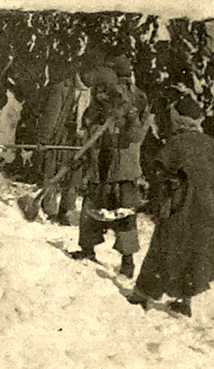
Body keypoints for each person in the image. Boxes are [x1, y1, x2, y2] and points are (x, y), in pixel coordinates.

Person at [127, 95, 214, 316]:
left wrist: (160, 202)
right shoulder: (213, 146)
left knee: (165, 245)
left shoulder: (177, 143)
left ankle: (142, 294)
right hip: (211, 211)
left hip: (184, 206)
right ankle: (184, 301)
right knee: (196, 253)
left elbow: (161, 172)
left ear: (180, 121)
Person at [68, 64, 146, 278]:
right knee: (90, 207)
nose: (104, 92)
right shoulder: (97, 103)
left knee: (124, 213)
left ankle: (127, 261)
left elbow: (136, 136)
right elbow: (87, 126)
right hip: (99, 162)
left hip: (123, 168)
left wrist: (127, 119)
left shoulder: (134, 101)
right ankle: (87, 248)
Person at [36, 71, 88, 225]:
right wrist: (44, 140)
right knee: (53, 170)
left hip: (79, 140)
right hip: (60, 137)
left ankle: (65, 210)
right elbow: (51, 116)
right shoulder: (61, 89)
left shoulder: (93, 92)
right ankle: (49, 209)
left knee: (74, 175)